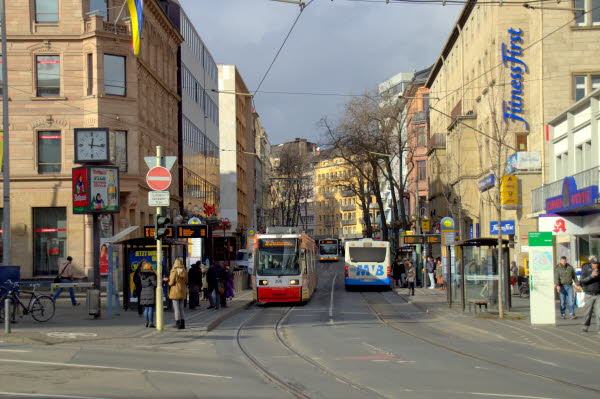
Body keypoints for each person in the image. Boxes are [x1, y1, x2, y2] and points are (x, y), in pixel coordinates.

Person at [580, 260, 600, 333]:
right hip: (589, 294)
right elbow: (583, 281)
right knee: (588, 312)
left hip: (598, 294)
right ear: (591, 264)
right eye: (594, 264)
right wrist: (591, 276)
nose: (596, 265)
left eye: (597, 263)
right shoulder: (585, 269)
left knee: (599, 312)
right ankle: (585, 327)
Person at [168, 258, 188, 329]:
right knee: (181, 308)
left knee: (176, 309)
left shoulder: (174, 271)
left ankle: (177, 324)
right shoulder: (185, 271)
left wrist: (168, 281)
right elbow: (186, 281)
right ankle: (183, 324)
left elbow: (171, 283)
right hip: (182, 290)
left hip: (175, 291)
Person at [139, 260, 157, 328]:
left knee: (146, 308)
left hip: (143, 292)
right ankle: (151, 323)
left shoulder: (141, 275)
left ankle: (146, 322)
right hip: (150, 292)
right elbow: (155, 283)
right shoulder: (151, 275)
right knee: (150, 308)